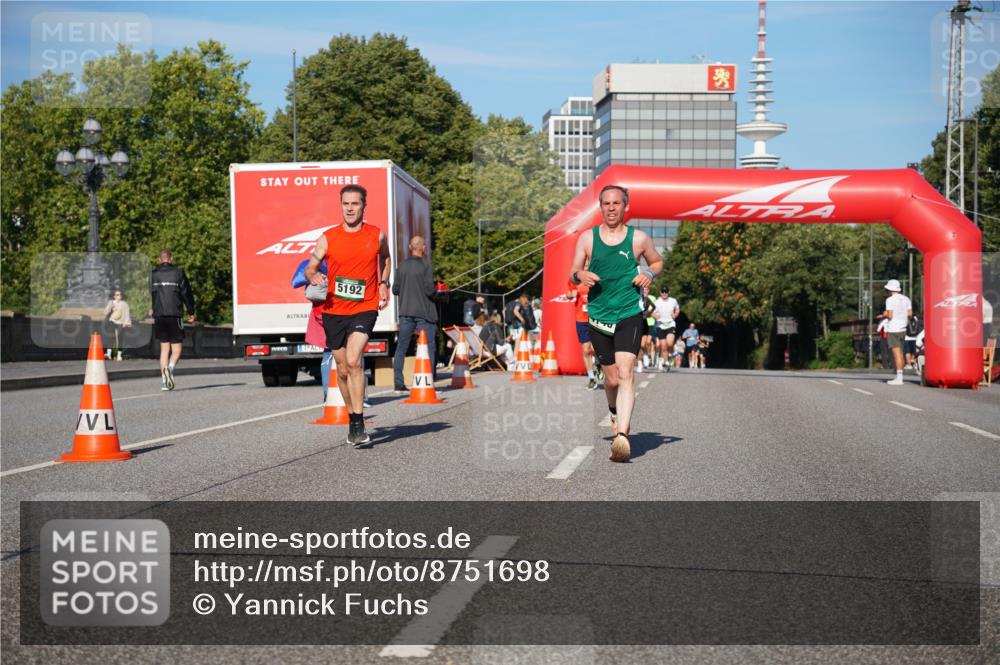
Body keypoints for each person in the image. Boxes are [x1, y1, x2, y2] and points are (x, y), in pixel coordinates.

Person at [569, 184, 663, 463]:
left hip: (628, 313)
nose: (611, 208)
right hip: (598, 314)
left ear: (625, 207)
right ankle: (613, 409)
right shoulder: (587, 238)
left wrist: (648, 273)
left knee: (625, 372)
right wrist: (580, 275)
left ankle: (622, 436)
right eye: (606, 204)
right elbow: (573, 272)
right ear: (601, 207)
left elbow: (657, 262)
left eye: (616, 203)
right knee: (610, 379)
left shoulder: (639, 239)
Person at [306, 184, 391, 446]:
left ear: (364, 206)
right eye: (346, 204)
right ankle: (352, 417)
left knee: (354, 360)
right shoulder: (328, 238)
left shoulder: (376, 235)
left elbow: (386, 259)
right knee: (341, 369)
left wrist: (383, 283)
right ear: (341, 206)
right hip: (333, 310)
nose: (350, 208)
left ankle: (358, 423)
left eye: (355, 204)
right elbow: (310, 267)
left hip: (364, 307)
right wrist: (314, 275)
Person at [392, 235, 438, 395]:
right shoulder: (425, 266)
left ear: (410, 248)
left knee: (401, 348)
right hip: (424, 313)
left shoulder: (402, 266)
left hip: (405, 312)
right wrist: (438, 290)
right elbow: (430, 291)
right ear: (423, 248)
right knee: (429, 347)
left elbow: (395, 290)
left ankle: (398, 384)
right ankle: (428, 383)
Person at [150, 249, 195, 391]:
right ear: (171, 259)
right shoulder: (179, 272)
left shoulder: (153, 274)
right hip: (175, 314)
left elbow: (151, 293)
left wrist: (153, 308)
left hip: (159, 314)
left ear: (159, 259)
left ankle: (164, 382)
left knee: (164, 349)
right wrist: (191, 311)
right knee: (176, 349)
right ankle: (170, 368)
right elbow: (186, 293)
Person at [877, 279, 912, 385]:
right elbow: (909, 313)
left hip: (893, 329)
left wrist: (883, 314)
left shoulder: (890, 300)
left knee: (896, 354)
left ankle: (899, 378)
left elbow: (890, 315)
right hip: (903, 328)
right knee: (901, 353)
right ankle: (900, 376)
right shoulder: (906, 299)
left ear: (889, 289)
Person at [567, 278, 599, 390]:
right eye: (584, 264)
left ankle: (599, 365)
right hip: (581, 319)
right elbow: (568, 293)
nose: (585, 266)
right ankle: (591, 378)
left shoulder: (595, 278)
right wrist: (571, 294)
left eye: (587, 264)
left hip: (596, 317)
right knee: (586, 349)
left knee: (596, 349)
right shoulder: (574, 280)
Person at [652, 286, 680, 371]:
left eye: (666, 291)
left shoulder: (673, 301)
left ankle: (671, 355)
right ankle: (666, 361)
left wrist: (675, 315)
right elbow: (651, 312)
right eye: (663, 291)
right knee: (663, 346)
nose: (664, 293)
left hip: (670, 324)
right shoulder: (657, 302)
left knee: (670, 344)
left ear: (668, 292)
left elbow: (678, 309)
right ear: (660, 292)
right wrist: (655, 316)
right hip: (660, 325)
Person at [103, 289, 132, 361]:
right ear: (114, 296)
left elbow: (126, 314)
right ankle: (110, 354)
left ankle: (119, 354)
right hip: (112, 321)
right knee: (111, 338)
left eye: (119, 295)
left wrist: (126, 323)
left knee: (120, 338)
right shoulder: (111, 302)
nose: (118, 296)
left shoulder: (124, 304)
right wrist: (110, 307)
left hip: (120, 323)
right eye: (117, 295)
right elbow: (105, 312)